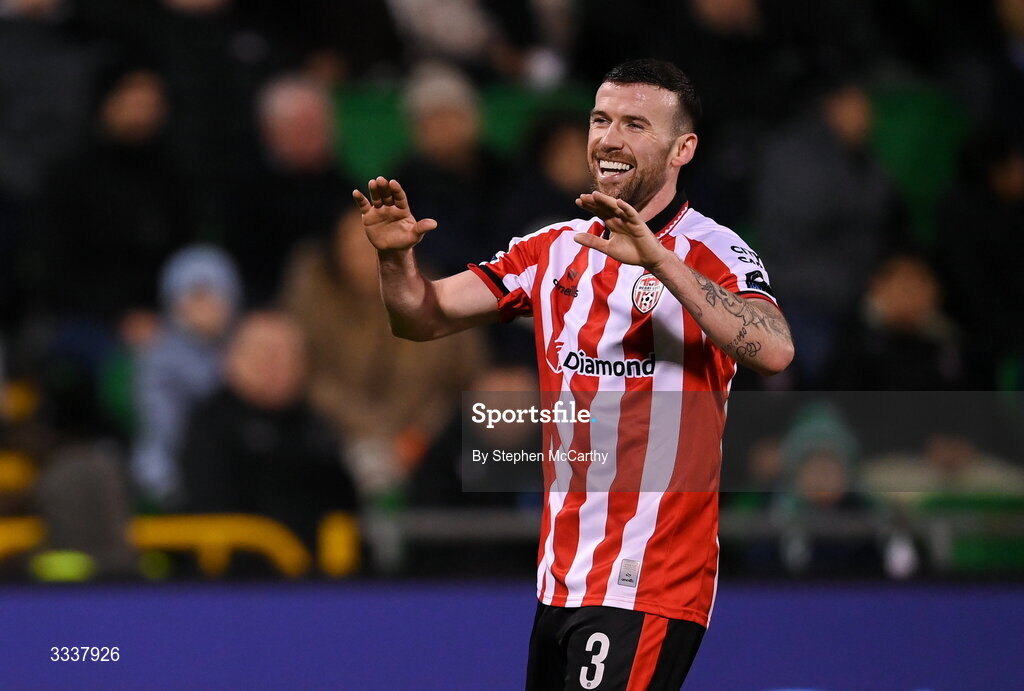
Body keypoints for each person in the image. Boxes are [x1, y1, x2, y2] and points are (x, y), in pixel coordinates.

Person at [353, 59, 794, 689]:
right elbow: (423, 317)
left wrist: (660, 262)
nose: (610, 138)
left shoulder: (714, 251)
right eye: (600, 119)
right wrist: (396, 259)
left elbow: (774, 348)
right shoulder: (555, 246)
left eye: (635, 124)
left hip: (652, 576)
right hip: (562, 577)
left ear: (682, 148)